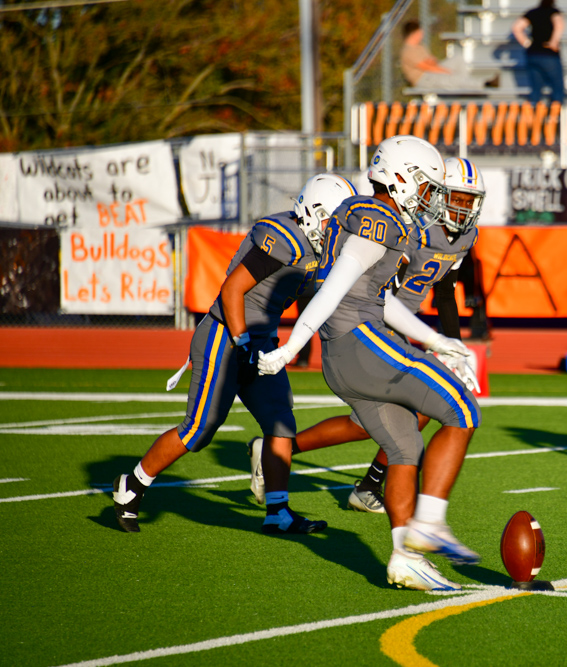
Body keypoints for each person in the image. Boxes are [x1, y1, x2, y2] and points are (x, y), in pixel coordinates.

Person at [257, 137, 482, 592]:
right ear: (402, 180)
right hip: (360, 340)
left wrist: (437, 339)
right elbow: (335, 288)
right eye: (427, 187)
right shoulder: (377, 218)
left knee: (405, 448)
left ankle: (405, 558)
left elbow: (377, 297)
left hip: (348, 349)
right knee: (461, 408)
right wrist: (292, 345)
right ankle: (429, 524)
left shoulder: (381, 217)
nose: (432, 198)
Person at [111, 173, 357, 534]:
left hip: (262, 339)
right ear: (313, 212)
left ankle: (278, 512)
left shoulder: (321, 252)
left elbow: (314, 298)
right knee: (200, 429)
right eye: (333, 222)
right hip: (226, 334)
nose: (337, 231)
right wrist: (242, 343)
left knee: (281, 423)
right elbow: (232, 290)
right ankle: (132, 484)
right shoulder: (286, 238)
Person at [400, 20, 499, 91]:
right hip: (424, 79)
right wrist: (446, 71)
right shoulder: (408, 51)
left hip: (432, 72)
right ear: (413, 33)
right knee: (451, 78)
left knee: (458, 58)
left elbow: (432, 61)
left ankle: (466, 84)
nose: (422, 34)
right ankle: (484, 84)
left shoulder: (420, 46)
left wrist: (435, 65)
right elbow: (427, 67)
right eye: (419, 32)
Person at [512, 0, 565, 104]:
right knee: (557, 86)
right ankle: (556, 111)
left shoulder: (532, 13)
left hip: (533, 54)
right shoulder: (554, 12)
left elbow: (516, 28)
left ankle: (535, 111)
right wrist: (554, 42)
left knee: (535, 88)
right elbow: (559, 26)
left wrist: (527, 43)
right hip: (548, 54)